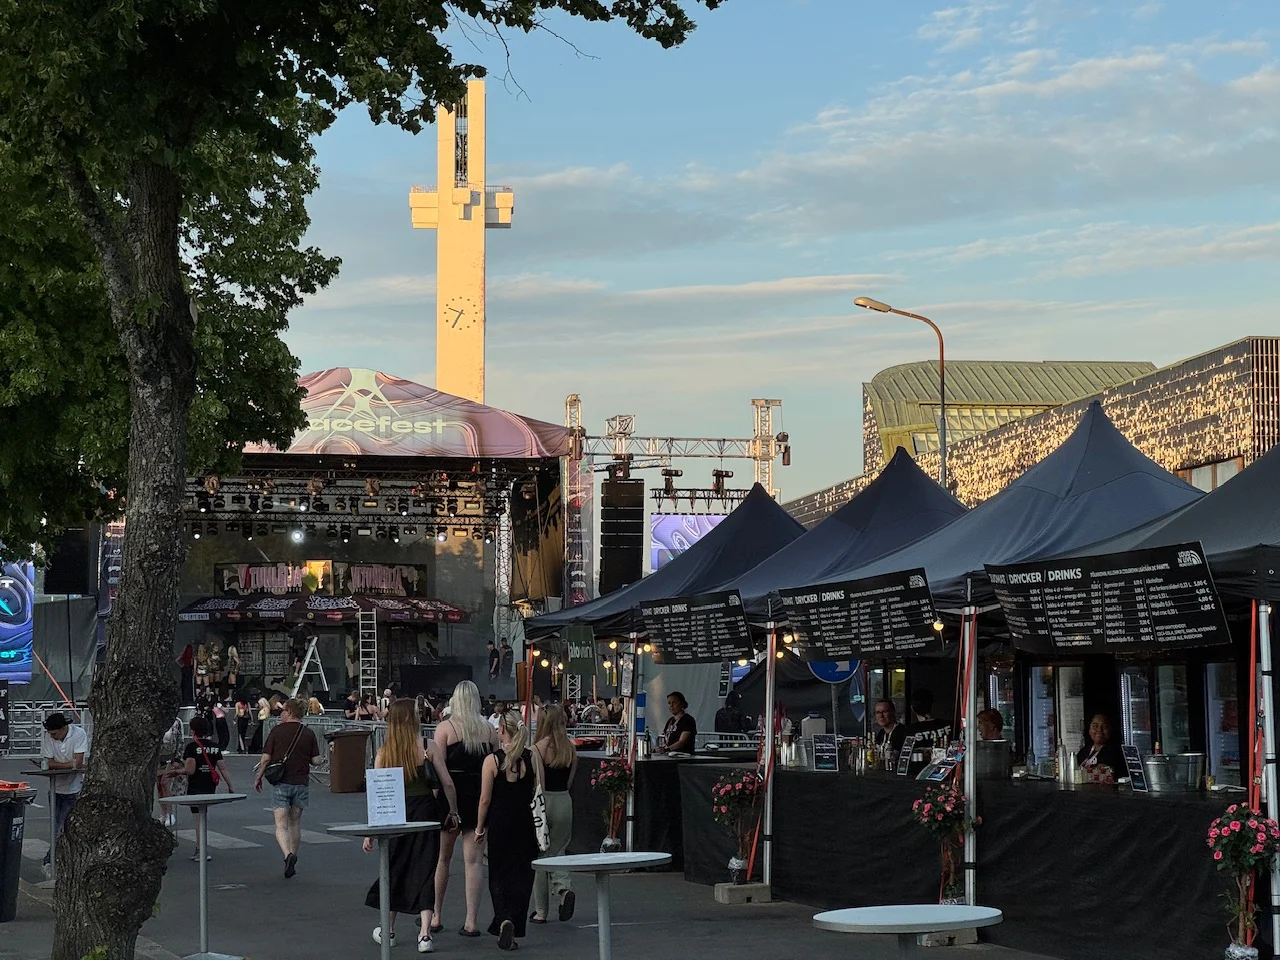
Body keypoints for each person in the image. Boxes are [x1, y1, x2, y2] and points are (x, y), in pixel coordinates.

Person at [364, 699, 460, 954]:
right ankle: (425, 934)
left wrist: (371, 829)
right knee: (426, 868)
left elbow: (377, 792)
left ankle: (388, 928)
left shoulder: (385, 752)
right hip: (426, 812)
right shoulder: (428, 746)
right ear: (411, 718)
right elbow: (447, 783)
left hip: (395, 813)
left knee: (395, 868)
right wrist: (453, 811)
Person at [433, 680, 498, 937]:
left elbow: (438, 770)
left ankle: (435, 915)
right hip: (479, 797)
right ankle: (471, 921)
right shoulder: (489, 730)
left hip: (451, 798)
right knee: (474, 862)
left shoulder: (445, 729)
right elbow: (497, 764)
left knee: (443, 858)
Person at [475, 711, 541, 951]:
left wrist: (479, 827)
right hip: (525, 821)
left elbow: (485, 799)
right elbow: (538, 790)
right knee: (522, 875)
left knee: (498, 874)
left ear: (502, 729)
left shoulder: (493, 761)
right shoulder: (532, 758)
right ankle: (514, 921)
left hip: (500, 822)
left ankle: (503, 917)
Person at [254, 697, 323, 879]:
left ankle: (287, 855)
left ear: (290, 712)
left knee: (280, 824)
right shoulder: (308, 733)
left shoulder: (277, 731)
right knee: (295, 823)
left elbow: (266, 758)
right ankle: (294, 855)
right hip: (301, 782)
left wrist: (259, 776)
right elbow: (316, 761)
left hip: (281, 782)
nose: (281, 713)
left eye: (283, 710)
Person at [531, 705, 577, 924]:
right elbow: (570, 781)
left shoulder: (537, 750)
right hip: (564, 800)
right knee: (559, 850)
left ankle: (541, 911)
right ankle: (564, 889)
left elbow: (538, 783)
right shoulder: (570, 749)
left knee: (541, 855)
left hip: (544, 802)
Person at [39, 712, 88, 868]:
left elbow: (78, 763)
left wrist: (59, 765)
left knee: (64, 826)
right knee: (56, 825)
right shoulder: (49, 737)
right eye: (50, 734)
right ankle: (54, 858)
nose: (52, 737)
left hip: (74, 788)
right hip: (56, 787)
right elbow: (48, 762)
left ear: (63, 728)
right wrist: (69, 764)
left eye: (54, 734)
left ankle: (52, 859)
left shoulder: (78, 734)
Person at [182, 715, 233, 861]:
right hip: (209, 784)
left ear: (193, 730)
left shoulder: (191, 747)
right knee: (203, 814)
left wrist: (177, 771)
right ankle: (200, 848)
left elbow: (190, 770)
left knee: (197, 818)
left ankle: (202, 849)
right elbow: (223, 769)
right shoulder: (214, 747)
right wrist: (230, 786)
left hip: (195, 784)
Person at [1075, 713, 1126, 783]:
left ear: (1110, 730)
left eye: (1105, 726)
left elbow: (1102, 772)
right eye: (1095, 726)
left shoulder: (1114, 752)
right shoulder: (1084, 751)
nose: (1099, 730)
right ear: (1089, 730)